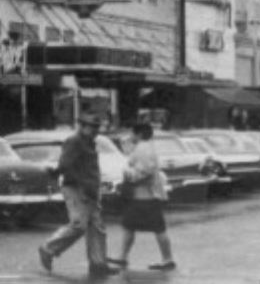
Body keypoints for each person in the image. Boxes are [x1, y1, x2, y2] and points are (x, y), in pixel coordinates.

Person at [38, 112, 118, 279]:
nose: (95, 130)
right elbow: (66, 165)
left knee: (97, 227)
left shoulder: (89, 142)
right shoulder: (74, 141)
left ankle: (98, 264)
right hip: (77, 188)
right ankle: (48, 248)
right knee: (79, 225)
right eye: (92, 127)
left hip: (90, 189)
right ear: (82, 126)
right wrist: (80, 184)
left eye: (97, 127)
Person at [110, 122, 176, 272]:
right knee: (129, 226)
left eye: (132, 133)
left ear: (139, 134)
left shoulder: (143, 149)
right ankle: (123, 257)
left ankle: (167, 259)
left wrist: (128, 173)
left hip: (145, 196)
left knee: (156, 228)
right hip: (142, 196)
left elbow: (144, 172)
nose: (130, 135)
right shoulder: (143, 148)